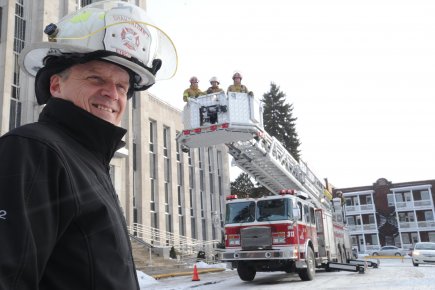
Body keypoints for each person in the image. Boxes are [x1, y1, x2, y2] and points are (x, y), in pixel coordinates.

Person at [0, 1, 177, 289]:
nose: (112, 93)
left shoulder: (88, 162)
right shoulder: (33, 150)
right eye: (96, 78)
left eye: (122, 87)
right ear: (56, 86)